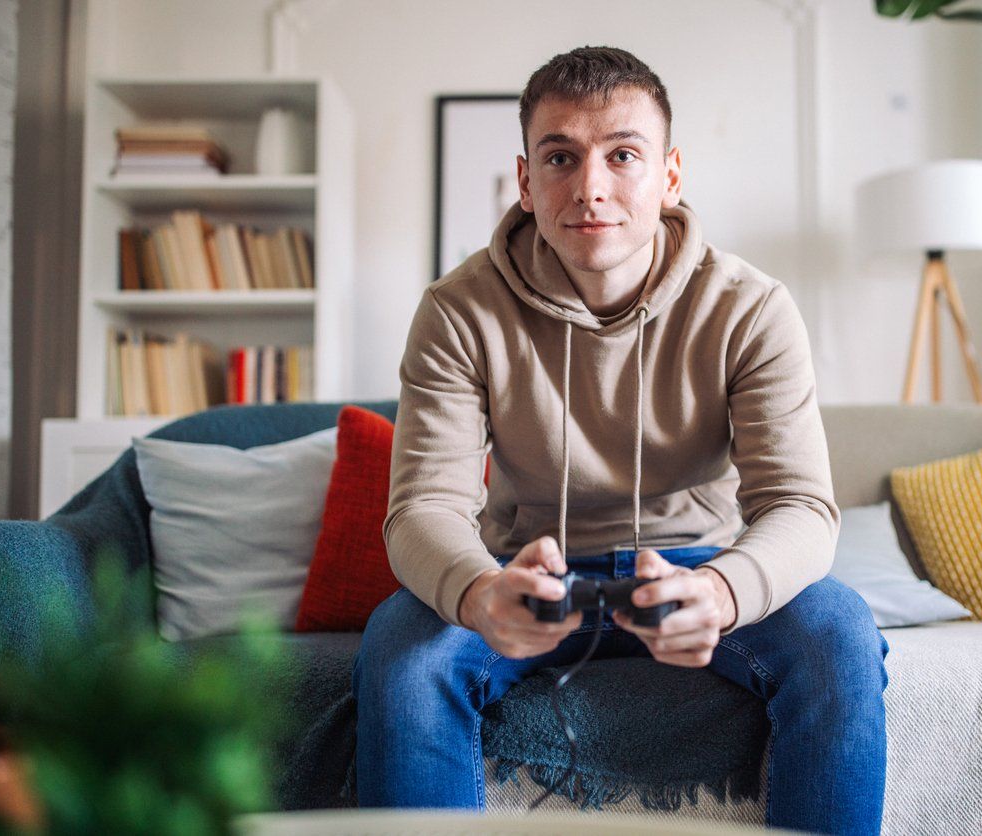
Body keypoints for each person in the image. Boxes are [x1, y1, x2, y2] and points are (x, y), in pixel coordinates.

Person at [353, 45, 891, 835]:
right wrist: (476, 592)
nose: (591, 187)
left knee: (838, 628)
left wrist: (721, 591)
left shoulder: (750, 308)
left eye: (623, 155)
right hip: (524, 572)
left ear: (669, 175)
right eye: (560, 157)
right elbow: (421, 510)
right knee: (402, 643)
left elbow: (802, 508)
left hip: (695, 564)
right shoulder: (457, 309)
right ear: (526, 181)